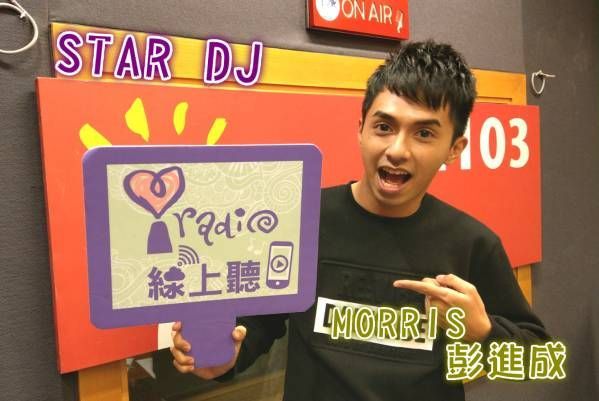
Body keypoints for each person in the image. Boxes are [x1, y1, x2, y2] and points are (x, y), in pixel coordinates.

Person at [170, 40, 549, 401]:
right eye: (384, 127)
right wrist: (222, 357)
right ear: (361, 129)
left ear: (454, 149)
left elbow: (537, 360)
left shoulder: (472, 243)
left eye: (424, 133)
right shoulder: (301, 219)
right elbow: (258, 326)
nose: (397, 150)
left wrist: (483, 332)